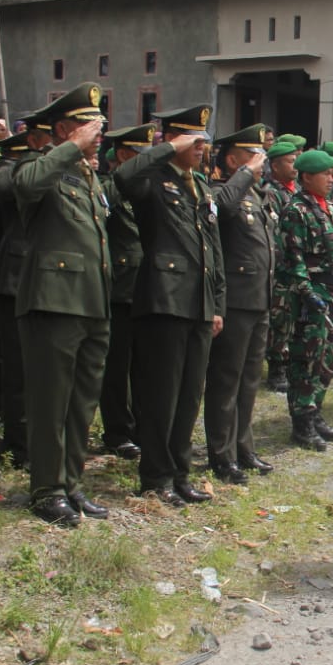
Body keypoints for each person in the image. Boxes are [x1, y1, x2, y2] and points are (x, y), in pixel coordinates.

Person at [113, 104, 224, 507]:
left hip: (197, 303)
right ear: (175, 139)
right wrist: (163, 148)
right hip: (163, 301)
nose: (201, 148)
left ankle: (179, 473)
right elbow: (122, 177)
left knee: (189, 395)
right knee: (161, 395)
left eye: (203, 141)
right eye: (193, 140)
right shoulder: (152, 181)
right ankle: (155, 477)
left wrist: (218, 303)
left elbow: (213, 251)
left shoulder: (200, 187)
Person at [11, 83, 111, 526]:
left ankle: (71, 482)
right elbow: (26, 185)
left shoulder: (88, 176)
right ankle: (46, 489)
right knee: (52, 402)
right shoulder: (39, 164)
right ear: (63, 128)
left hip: (91, 301)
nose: (97, 131)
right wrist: (70, 147)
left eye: (99, 123)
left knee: (81, 402)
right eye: (88, 123)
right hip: (52, 301)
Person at [203, 124, 278, 484]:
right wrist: (246, 174)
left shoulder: (255, 195)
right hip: (234, 300)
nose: (260, 162)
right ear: (233, 159)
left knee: (249, 380)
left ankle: (243, 447)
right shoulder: (221, 190)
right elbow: (220, 209)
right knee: (225, 380)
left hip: (258, 298)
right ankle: (221, 453)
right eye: (251, 156)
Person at [278, 149, 333, 451]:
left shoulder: (327, 207)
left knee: (328, 359)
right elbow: (292, 259)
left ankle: (316, 411)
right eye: (325, 175)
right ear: (307, 177)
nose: (331, 180)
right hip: (313, 298)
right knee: (306, 360)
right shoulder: (296, 211)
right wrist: (308, 295)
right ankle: (302, 422)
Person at [0, 125, 42, 466]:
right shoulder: (11, 169)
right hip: (13, 279)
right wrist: (18, 161)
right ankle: (19, 444)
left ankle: (34, 440)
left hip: (37, 279)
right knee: (16, 365)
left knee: (36, 367)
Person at [98, 125, 152, 463]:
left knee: (144, 368)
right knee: (117, 368)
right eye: (140, 155)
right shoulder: (110, 188)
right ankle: (117, 431)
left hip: (147, 289)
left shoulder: (144, 190)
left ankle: (141, 427)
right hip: (118, 289)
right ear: (123, 156)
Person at [262, 139, 300, 393]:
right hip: (281, 267)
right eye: (289, 161)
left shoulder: (294, 190)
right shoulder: (270, 193)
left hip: (295, 266)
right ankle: (276, 366)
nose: (295, 165)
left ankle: (288, 361)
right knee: (280, 317)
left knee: (292, 317)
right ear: (275, 166)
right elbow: (273, 232)